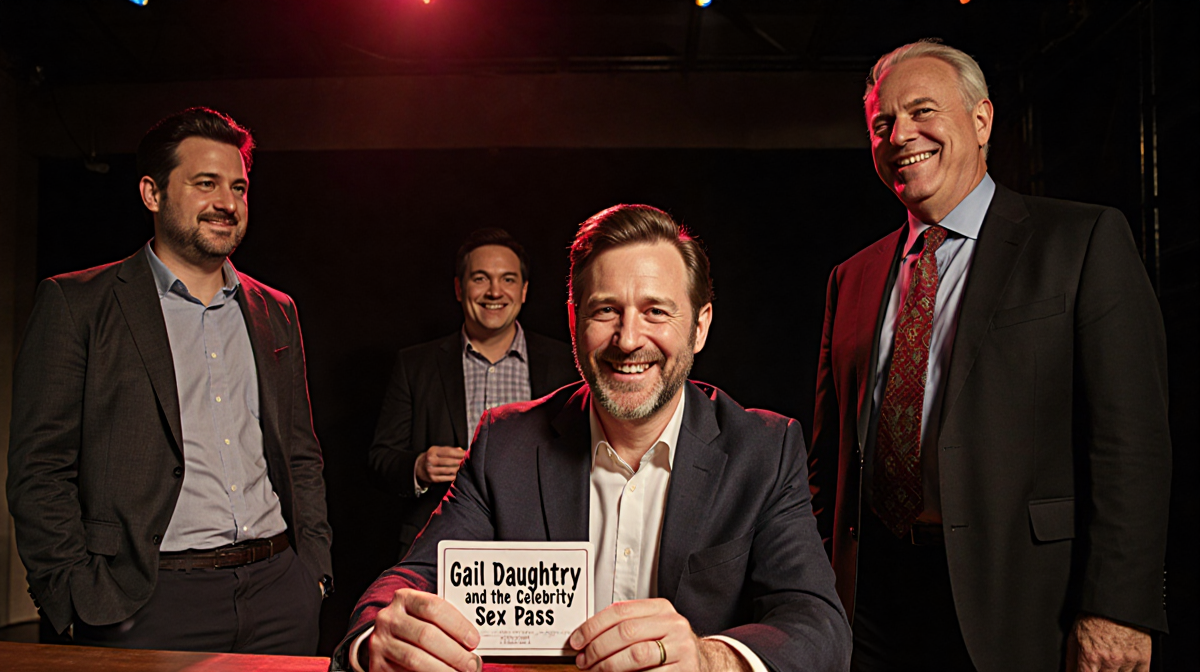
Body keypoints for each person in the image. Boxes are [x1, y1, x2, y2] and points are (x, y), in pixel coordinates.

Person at [332, 204, 850, 672]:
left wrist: (711, 659)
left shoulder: (764, 448)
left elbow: (816, 624)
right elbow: (409, 581)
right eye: (606, 311)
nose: (628, 340)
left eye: (656, 311)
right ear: (574, 322)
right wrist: (376, 638)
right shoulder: (504, 443)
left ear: (699, 327)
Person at [808, 40, 1171, 672]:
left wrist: (1118, 606)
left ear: (981, 121)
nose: (901, 135)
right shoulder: (853, 277)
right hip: (871, 608)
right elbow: (830, 460)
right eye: (882, 124)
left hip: (1023, 599)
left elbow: (1131, 443)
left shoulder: (1081, 241)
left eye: (923, 111)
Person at [7, 107, 333, 654]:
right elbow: (40, 470)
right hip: (147, 600)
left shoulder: (276, 310)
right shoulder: (78, 303)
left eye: (238, 187)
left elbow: (301, 454)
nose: (227, 203)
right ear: (152, 193)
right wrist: (74, 596)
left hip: (280, 591)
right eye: (205, 184)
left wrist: (313, 574)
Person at [368, 228, 577, 561]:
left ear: (523, 291)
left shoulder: (567, 364)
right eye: (480, 278)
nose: (495, 291)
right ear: (458, 288)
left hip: (543, 547)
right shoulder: (415, 365)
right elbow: (381, 458)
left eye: (508, 280)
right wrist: (419, 466)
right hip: (441, 546)